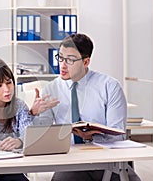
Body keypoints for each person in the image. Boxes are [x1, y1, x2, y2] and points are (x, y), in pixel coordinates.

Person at [29, 33, 141, 181]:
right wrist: (33, 114)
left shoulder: (109, 86)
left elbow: (119, 134)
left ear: (86, 61)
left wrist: (92, 137)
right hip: (71, 161)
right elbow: (41, 136)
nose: (62, 65)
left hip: (106, 160)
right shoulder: (52, 89)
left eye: (70, 60)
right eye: (60, 57)